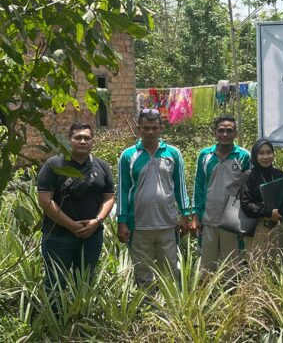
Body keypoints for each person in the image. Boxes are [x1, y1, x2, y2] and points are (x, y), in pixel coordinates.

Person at [116, 109, 190, 288]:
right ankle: (148, 307)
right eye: (146, 128)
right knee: (143, 271)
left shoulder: (172, 153)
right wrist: (122, 221)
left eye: (154, 128)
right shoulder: (128, 156)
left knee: (171, 270)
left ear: (161, 128)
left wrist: (186, 214)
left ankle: (171, 309)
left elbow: (181, 186)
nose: (150, 132)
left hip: (168, 223)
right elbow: (123, 190)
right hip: (139, 225)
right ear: (138, 129)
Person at [37, 123, 115, 291]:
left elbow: (109, 198)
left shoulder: (102, 166)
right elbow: (44, 199)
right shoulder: (54, 164)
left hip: (91, 236)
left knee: (86, 281)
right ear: (69, 140)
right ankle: (56, 316)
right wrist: (72, 226)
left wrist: (97, 221)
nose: (82, 141)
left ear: (93, 141)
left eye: (87, 138)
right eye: (77, 137)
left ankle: (80, 316)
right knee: (56, 282)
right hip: (58, 235)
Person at [193, 115, 251, 271]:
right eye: (221, 131)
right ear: (215, 133)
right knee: (207, 266)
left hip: (232, 222)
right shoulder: (205, 155)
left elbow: (248, 189)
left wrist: (245, 220)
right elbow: (199, 185)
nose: (225, 134)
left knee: (232, 267)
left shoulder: (244, 156)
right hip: (208, 219)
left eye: (229, 131)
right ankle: (209, 295)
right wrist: (196, 214)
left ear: (235, 134)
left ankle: (232, 295)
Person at [241, 139, 283, 256]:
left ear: (273, 154)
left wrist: (278, 213)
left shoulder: (282, 175)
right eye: (261, 153)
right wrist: (268, 213)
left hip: (279, 225)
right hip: (258, 227)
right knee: (258, 267)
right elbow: (245, 203)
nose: (266, 156)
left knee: (279, 266)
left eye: (269, 152)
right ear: (255, 155)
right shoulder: (248, 176)